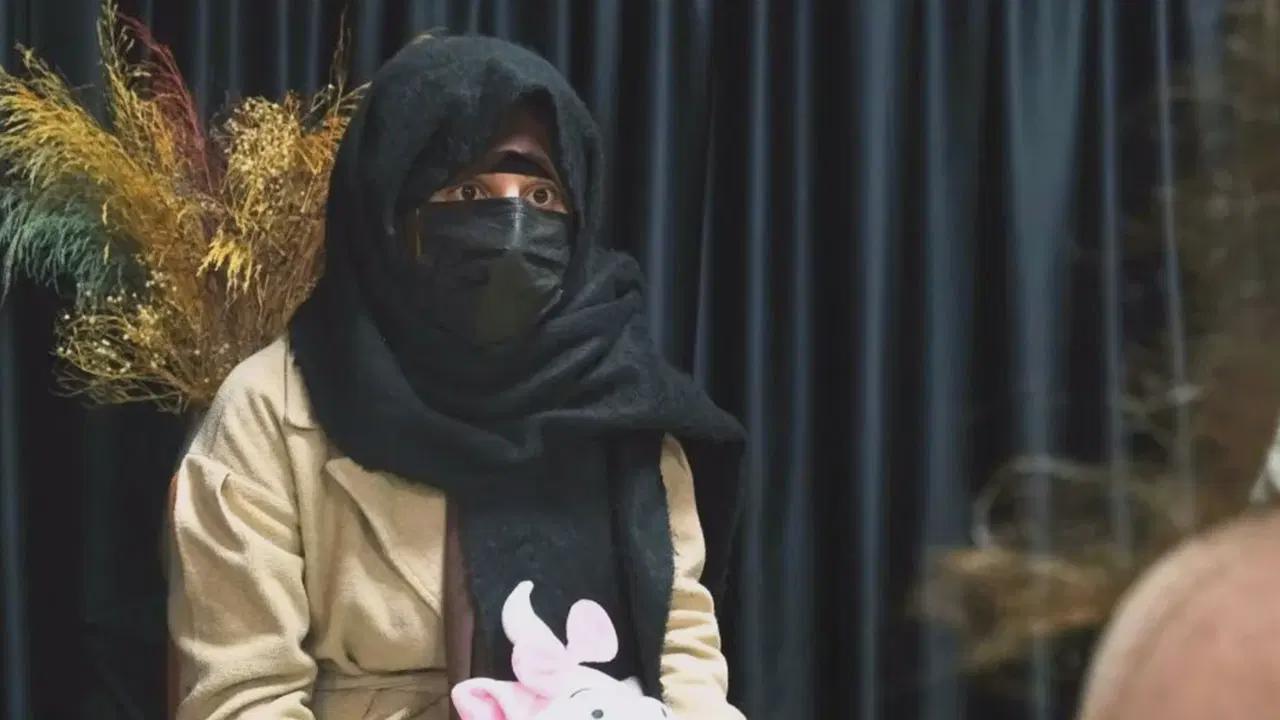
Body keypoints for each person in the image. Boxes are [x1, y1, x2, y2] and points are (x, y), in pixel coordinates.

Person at [166, 34, 747, 720]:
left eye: (541, 195)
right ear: (392, 209)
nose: (511, 229)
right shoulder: (273, 411)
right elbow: (244, 699)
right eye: (469, 190)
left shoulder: (621, 401)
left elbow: (682, 650)